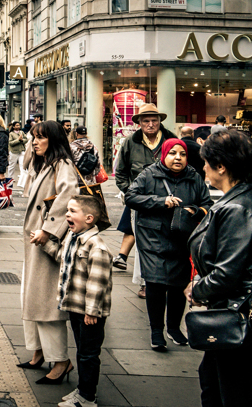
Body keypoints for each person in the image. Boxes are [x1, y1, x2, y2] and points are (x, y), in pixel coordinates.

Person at [185, 129, 252, 407]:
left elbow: (228, 271)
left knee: (227, 389)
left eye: (206, 162)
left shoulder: (236, 208)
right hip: (228, 311)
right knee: (213, 380)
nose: (203, 168)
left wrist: (197, 288)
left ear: (221, 166)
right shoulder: (237, 200)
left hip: (235, 313)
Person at [126, 138, 211, 351]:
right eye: (173, 153)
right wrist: (159, 201)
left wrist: (196, 211)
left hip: (182, 238)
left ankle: (174, 328)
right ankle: (156, 331)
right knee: (155, 284)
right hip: (153, 238)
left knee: (177, 285)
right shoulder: (148, 174)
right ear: (164, 155)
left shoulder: (194, 177)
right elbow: (131, 197)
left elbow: (207, 204)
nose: (178, 158)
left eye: (182, 154)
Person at [19, 120, 78, 385]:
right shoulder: (44, 164)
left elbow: (70, 194)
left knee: (45, 304)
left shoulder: (62, 164)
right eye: (33, 137)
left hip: (45, 242)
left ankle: (61, 360)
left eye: (41, 138)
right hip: (34, 242)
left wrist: (49, 230)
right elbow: (26, 164)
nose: (34, 142)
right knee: (30, 298)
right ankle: (38, 351)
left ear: (53, 140)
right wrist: (33, 146)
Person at [55, 195, 113, 407]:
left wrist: (91, 311)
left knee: (88, 355)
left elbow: (97, 283)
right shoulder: (73, 237)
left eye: (72, 211)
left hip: (90, 313)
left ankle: (87, 397)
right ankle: (82, 390)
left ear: (89, 218)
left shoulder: (96, 246)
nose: (67, 214)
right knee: (82, 352)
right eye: (67, 210)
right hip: (76, 307)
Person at [112, 103, 176, 296]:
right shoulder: (130, 142)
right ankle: (146, 283)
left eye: (154, 120)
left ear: (159, 121)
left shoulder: (170, 139)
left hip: (167, 200)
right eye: (146, 121)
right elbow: (120, 172)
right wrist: (129, 193)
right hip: (140, 202)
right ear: (139, 123)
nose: (150, 124)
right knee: (143, 244)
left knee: (168, 241)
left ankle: (167, 280)